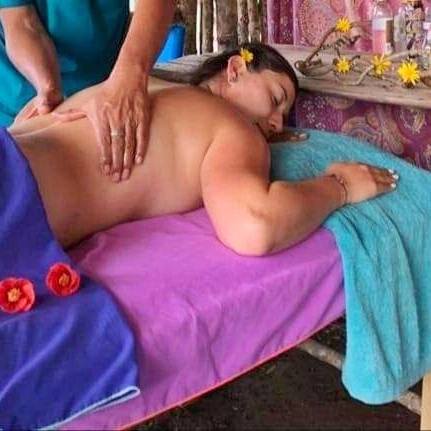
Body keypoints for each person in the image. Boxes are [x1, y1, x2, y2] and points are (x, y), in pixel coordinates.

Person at [7, 43, 397, 255]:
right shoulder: (229, 125)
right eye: (276, 98)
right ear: (235, 69)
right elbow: (254, 224)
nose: (278, 123)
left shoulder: (130, 91)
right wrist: (340, 186)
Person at [0, 0, 175, 181]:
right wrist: (48, 88)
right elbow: (21, 22)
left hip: (105, 91)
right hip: (19, 96)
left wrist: (130, 75)